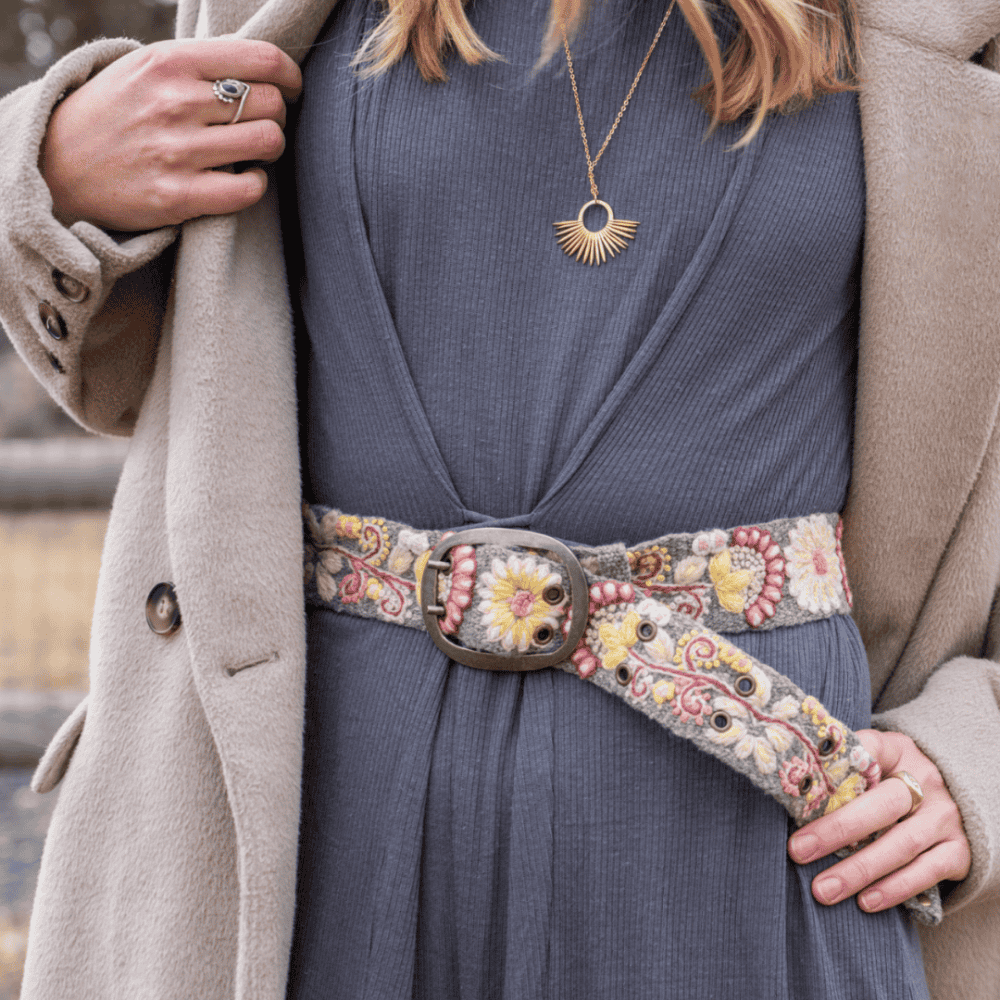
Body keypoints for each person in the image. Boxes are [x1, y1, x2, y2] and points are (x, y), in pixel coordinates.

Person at [0, 0, 997, 996]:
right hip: (317, 828)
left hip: (749, 865)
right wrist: (47, 169)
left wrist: (977, 750)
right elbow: (124, 372)